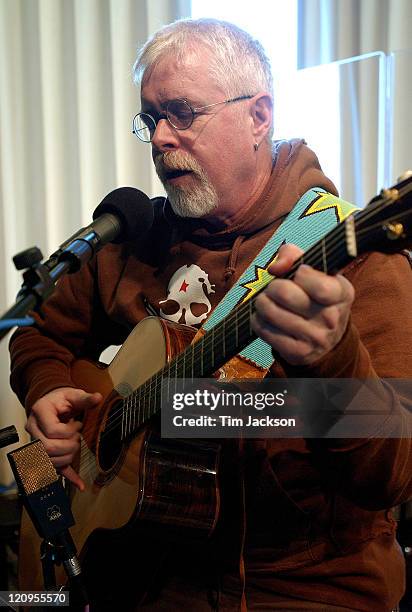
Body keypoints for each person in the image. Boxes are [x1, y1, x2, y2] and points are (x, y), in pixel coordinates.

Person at [9, 17, 412, 612]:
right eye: (151, 119)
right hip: (130, 568)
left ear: (259, 116)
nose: (161, 139)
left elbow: (393, 474)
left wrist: (330, 358)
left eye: (182, 112)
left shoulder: (355, 257)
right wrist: (48, 391)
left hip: (301, 589)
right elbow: (38, 331)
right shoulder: (133, 238)